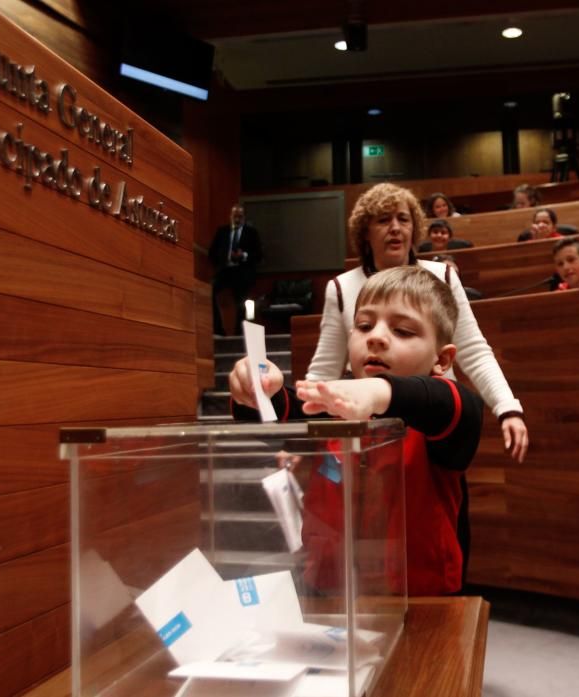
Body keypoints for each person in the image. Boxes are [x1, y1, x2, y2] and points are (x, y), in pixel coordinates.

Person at [230, 183, 527, 462]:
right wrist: (262, 392)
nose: (395, 227)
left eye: (403, 219)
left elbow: (473, 351)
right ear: (365, 233)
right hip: (363, 424)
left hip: (432, 422)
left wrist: (506, 406)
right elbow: (324, 373)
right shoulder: (341, 287)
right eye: (384, 220)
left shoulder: (443, 276)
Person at [231, 266, 483, 596]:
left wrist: (380, 391)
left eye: (403, 331)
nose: (375, 337)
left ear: (443, 360)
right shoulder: (336, 404)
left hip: (421, 601)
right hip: (330, 592)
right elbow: (284, 413)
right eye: (364, 326)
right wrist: (259, 391)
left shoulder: (439, 415)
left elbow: (455, 404)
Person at [209, 203, 263, 335]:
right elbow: (212, 253)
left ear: (244, 217)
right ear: (230, 216)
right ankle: (218, 329)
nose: (237, 219)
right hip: (225, 270)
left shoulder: (251, 233)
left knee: (242, 301)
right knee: (210, 292)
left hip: (242, 271)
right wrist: (223, 259)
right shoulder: (222, 232)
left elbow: (259, 255)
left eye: (240, 216)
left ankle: (239, 332)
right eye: (235, 216)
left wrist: (243, 255)